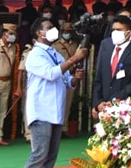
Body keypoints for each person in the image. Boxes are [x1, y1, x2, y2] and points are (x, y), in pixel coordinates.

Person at [23, 15, 86, 168]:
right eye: (48, 28)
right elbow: (51, 74)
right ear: (39, 33)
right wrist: (74, 59)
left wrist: (75, 78)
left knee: (51, 156)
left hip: (55, 111)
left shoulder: (55, 54)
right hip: (41, 111)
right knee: (40, 154)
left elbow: (67, 81)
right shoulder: (35, 54)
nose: (53, 30)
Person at [91, 14, 131, 115]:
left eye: (119, 30)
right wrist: (97, 103)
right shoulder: (105, 45)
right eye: (113, 30)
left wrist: (114, 101)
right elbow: (98, 78)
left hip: (126, 108)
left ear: (128, 33)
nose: (115, 33)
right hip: (104, 108)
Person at [54, 22, 79, 134]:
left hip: (71, 75)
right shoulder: (55, 45)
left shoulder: (75, 45)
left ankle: (64, 128)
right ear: (61, 30)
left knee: (68, 102)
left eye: (69, 31)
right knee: (58, 102)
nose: (67, 33)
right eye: (65, 30)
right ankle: (57, 128)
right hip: (60, 75)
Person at [17, 42, 33, 144]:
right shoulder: (27, 53)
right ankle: (29, 134)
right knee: (28, 109)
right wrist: (19, 87)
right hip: (29, 83)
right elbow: (21, 70)